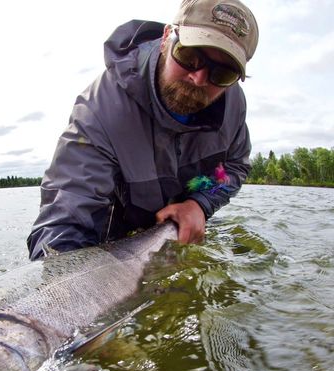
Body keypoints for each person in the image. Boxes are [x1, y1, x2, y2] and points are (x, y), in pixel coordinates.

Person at [27, 0, 259, 260]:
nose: (199, 79)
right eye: (189, 56)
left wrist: (199, 204)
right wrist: (57, 277)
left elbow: (232, 170)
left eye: (223, 74)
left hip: (182, 230)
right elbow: (66, 214)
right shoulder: (100, 110)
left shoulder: (233, 107)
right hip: (112, 247)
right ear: (166, 39)